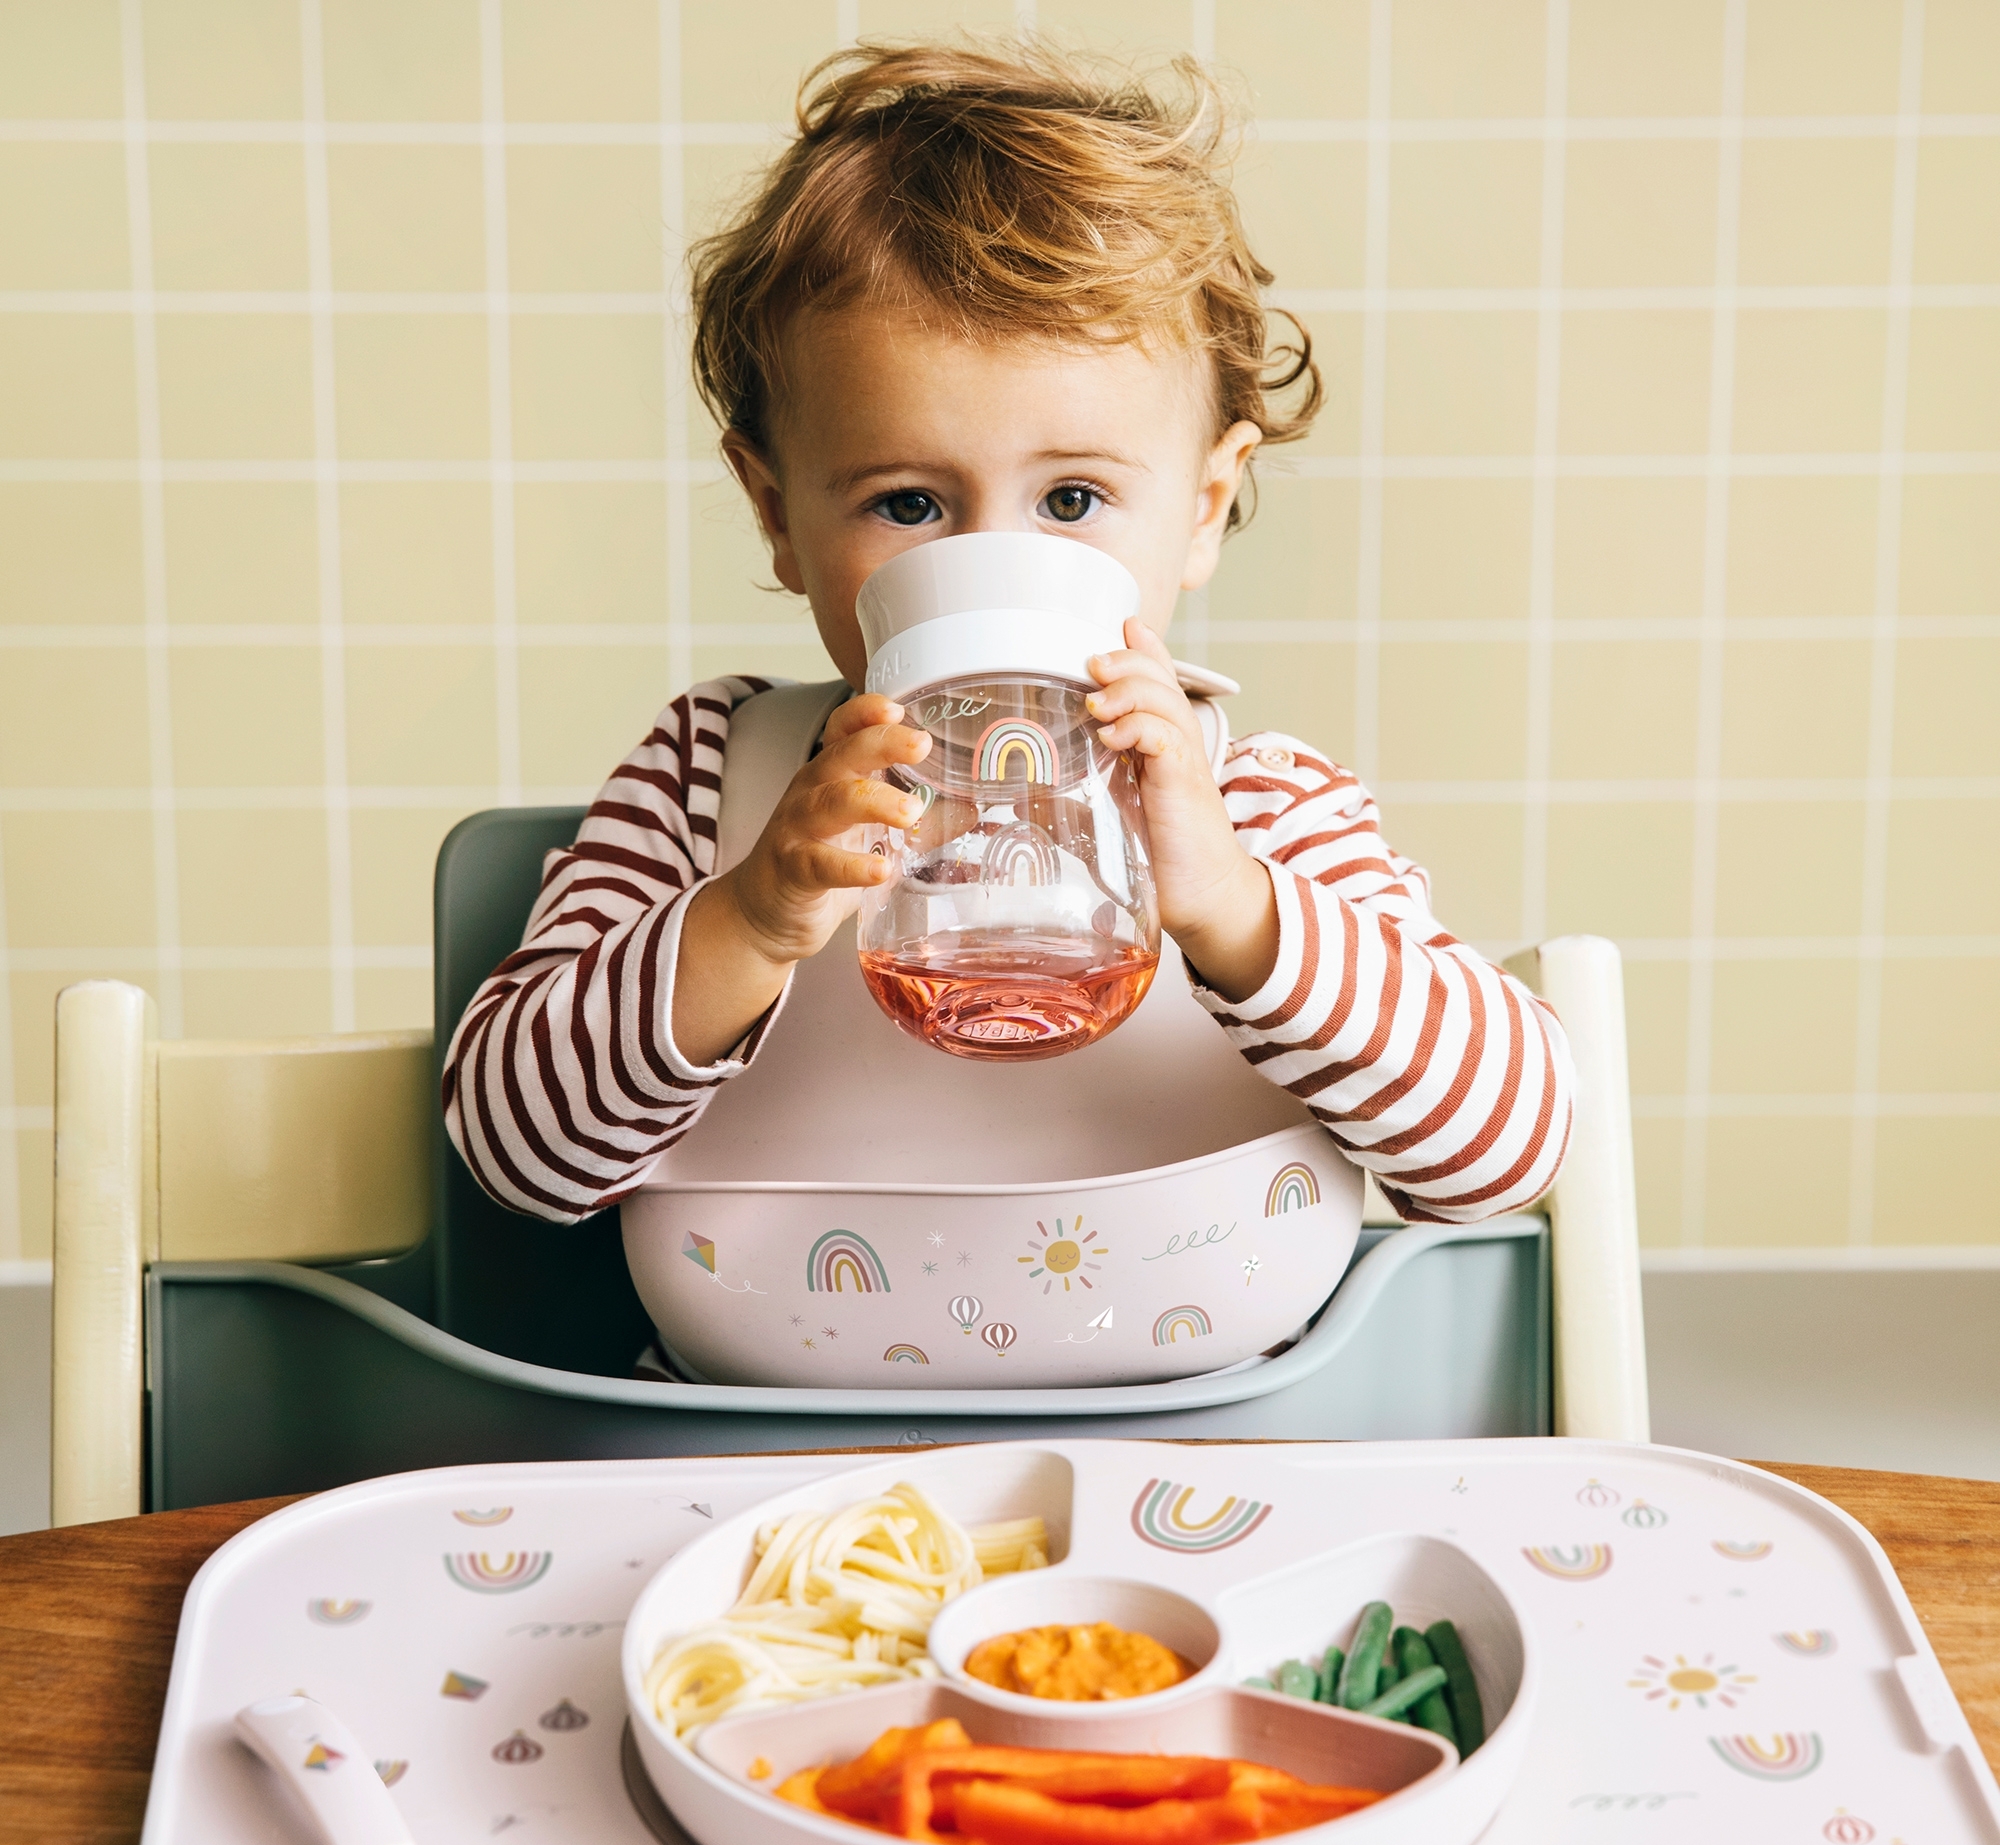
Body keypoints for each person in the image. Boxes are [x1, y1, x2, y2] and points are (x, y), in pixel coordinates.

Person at [444, 41, 1572, 1234]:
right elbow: (515, 1157)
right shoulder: (712, 780)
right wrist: (751, 916)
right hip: (763, 1408)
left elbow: (1506, 1156)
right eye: (909, 504)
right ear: (777, 512)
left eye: (1072, 501)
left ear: (1199, 508)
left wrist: (1241, 912)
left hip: (1209, 1417)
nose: (992, 565)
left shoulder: (1261, 810)